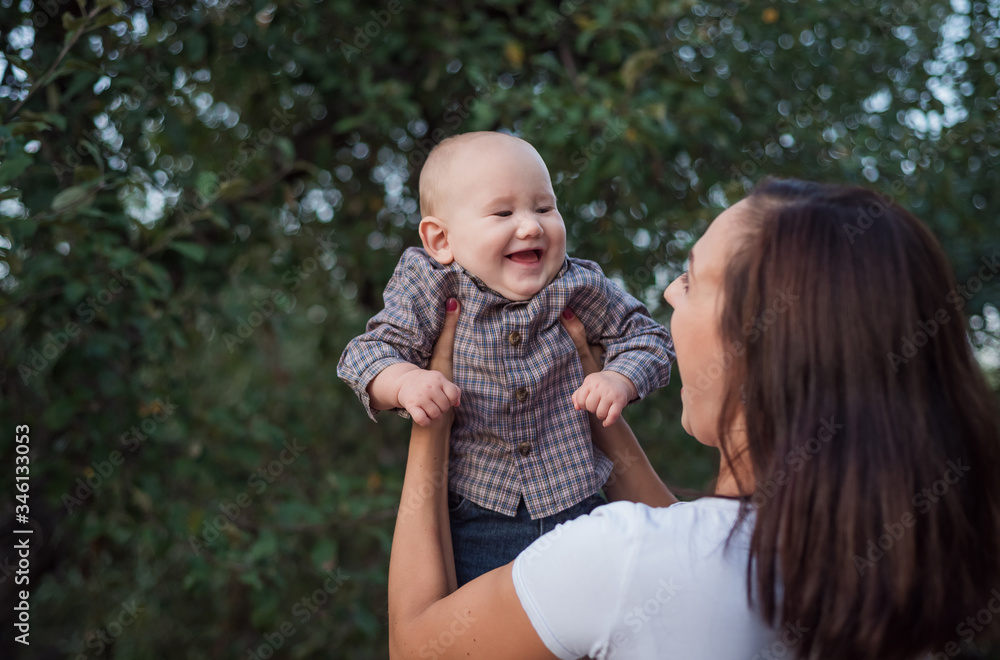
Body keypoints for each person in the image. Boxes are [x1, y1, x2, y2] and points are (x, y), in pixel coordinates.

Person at [386, 179, 1000, 659]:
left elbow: (418, 647)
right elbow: (691, 537)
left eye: (693, 279)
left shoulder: (625, 560)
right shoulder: (892, 557)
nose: (671, 297)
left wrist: (432, 425)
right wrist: (594, 410)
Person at [338, 131, 674, 584]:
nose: (531, 226)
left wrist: (619, 379)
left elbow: (649, 339)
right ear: (441, 240)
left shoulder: (577, 284)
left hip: (578, 505)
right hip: (479, 515)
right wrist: (404, 382)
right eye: (502, 212)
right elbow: (366, 354)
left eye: (544, 208)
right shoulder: (431, 285)